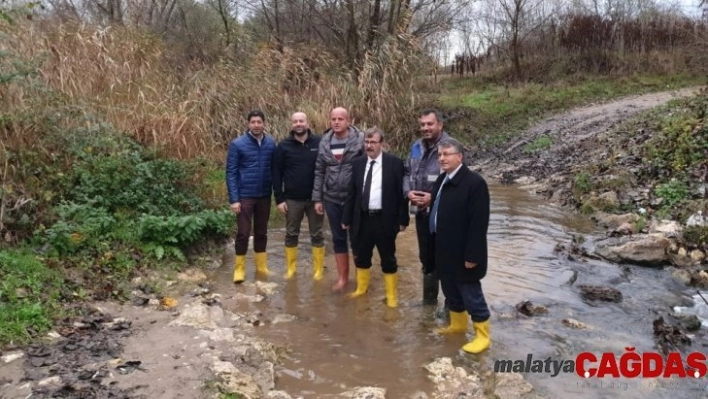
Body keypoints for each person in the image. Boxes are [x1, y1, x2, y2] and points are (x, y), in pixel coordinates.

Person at [428, 138, 491, 354]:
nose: (442, 159)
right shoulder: (442, 180)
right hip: (444, 248)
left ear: (460, 157)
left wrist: (473, 255)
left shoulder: (475, 183)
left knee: (471, 294)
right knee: (451, 292)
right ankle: (457, 326)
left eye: (447, 154)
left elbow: (479, 223)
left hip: (465, 252)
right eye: (440, 155)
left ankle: (483, 337)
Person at [342, 127, 409, 308]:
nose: (369, 146)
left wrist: (403, 220)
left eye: (373, 142)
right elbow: (352, 193)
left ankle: (391, 296)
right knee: (362, 256)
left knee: (388, 258)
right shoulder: (357, 163)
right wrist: (346, 218)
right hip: (362, 219)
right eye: (367, 142)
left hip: (384, 219)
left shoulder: (395, 163)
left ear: (382, 144)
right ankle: (361, 289)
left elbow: (401, 194)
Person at [403, 108, 452, 305]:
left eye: (430, 124)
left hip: (445, 216)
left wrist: (435, 198)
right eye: (422, 124)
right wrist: (408, 193)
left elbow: (459, 181)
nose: (425, 128)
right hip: (422, 215)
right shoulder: (416, 146)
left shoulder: (451, 147)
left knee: (448, 260)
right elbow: (406, 172)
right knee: (426, 259)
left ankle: (452, 306)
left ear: (440, 125)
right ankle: (429, 305)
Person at [312, 107, 364, 291]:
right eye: (333, 118)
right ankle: (343, 279)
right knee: (338, 239)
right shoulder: (324, 142)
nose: (336, 122)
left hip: (355, 199)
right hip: (331, 198)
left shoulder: (360, 140)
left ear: (348, 121)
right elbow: (319, 171)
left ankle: (361, 279)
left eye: (340, 119)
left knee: (358, 239)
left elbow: (369, 167)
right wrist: (317, 199)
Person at [272, 112, 325, 280]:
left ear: (307, 123)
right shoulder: (283, 146)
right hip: (292, 199)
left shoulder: (320, 142)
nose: (298, 124)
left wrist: (324, 196)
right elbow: (276, 173)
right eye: (295, 121)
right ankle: (291, 269)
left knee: (316, 234)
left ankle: (318, 270)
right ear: (291, 124)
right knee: (291, 233)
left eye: (301, 121)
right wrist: (279, 199)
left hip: (316, 199)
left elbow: (327, 168)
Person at [226, 110, 277, 284]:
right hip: (245, 195)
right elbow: (231, 173)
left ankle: (261, 266)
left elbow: (275, 169)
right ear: (248, 124)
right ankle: (239, 268)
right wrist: (234, 199)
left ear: (264, 124)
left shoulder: (271, 143)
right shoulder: (237, 144)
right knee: (243, 233)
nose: (256, 125)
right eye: (253, 122)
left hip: (264, 194)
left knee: (262, 232)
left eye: (259, 122)